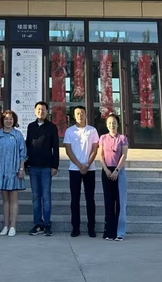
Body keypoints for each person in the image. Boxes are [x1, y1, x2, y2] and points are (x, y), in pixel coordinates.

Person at [63, 106, 99, 238]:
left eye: (82, 113)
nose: (80, 115)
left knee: (90, 199)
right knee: (75, 199)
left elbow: (95, 149)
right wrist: (79, 165)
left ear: (86, 114)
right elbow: (68, 150)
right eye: (77, 113)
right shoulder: (69, 131)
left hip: (90, 168)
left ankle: (91, 227)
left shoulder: (92, 130)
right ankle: (76, 227)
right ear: (74, 115)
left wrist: (87, 164)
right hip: (74, 169)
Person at [25, 101, 59, 236]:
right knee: (35, 196)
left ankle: (47, 224)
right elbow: (28, 145)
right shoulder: (31, 126)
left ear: (47, 112)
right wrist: (26, 164)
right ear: (35, 111)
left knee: (46, 197)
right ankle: (38, 223)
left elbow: (55, 148)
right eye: (38, 109)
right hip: (33, 166)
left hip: (46, 167)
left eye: (43, 109)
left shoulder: (52, 127)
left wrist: (55, 166)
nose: (41, 111)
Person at [0, 110, 27, 237]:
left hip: (14, 170)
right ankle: (5, 225)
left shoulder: (18, 135)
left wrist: (21, 169)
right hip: (2, 170)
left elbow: (23, 153)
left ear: (14, 121)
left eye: (11, 119)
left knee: (13, 199)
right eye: (6, 119)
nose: (9, 121)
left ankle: (13, 226)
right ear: (2, 120)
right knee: (5, 200)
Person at [99, 114, 129, 241]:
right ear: (107, 125)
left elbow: (124, 155)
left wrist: (117, 170)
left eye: (114, 122)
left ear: (118, 124)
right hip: (106, 171)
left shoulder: (122, 138)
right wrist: (106, 170)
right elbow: (100, 155)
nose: (112, 125)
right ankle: (109, 232)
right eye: (110, 123)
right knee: (109, 202)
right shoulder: (103, 138)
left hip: (119, 171)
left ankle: (119, 233)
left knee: (120, 202)